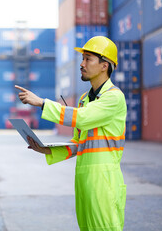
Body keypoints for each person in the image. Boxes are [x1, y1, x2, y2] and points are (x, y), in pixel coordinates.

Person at [15, 36, 127, 231]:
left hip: (104, 179)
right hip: (84, 178)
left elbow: (82, 118)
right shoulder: (86, 99)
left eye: (88, 59)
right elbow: (79, 142)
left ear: (104, 66)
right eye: (82, 59)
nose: (81, 64)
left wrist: (42, 103)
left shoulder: (114, 97)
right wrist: (45, 150)